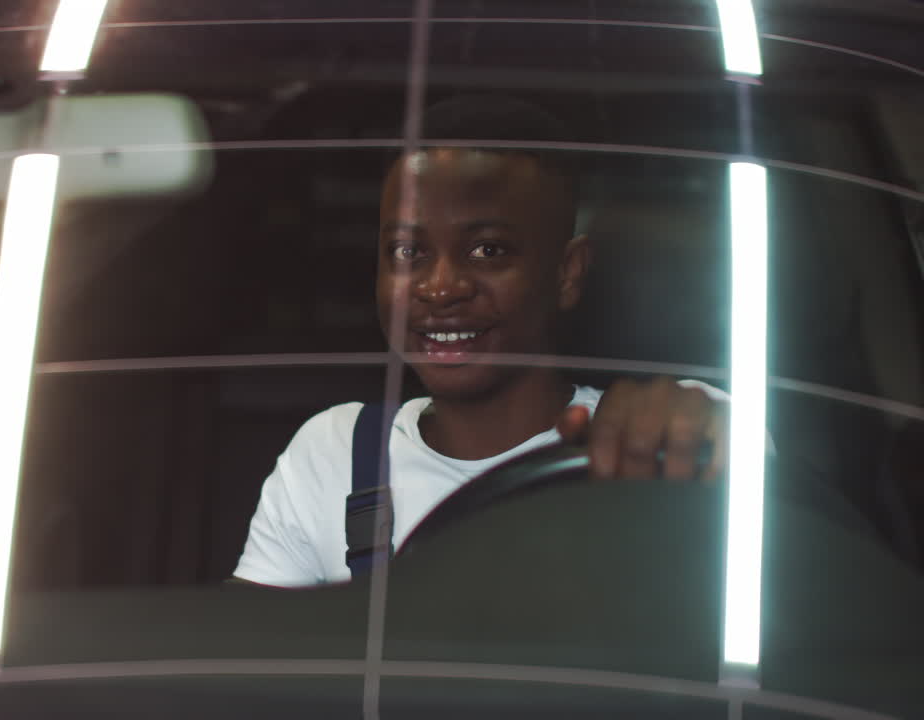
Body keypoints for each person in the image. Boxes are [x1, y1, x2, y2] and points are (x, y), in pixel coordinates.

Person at [232, 96, 729, 587]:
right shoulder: (335, 453)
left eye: (488, 250)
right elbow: (249, 636)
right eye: (407, 251)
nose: (440, 288)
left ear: (567, 273)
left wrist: (695, 432)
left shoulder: (660, 432)